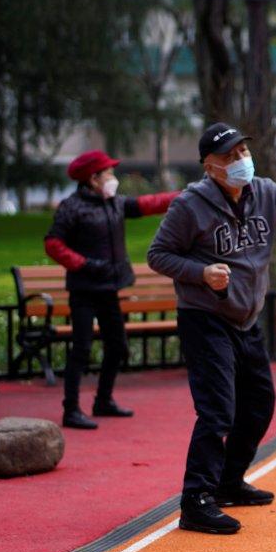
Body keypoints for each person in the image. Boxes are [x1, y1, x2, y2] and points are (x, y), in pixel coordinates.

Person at [147, 121, 276, 535]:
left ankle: (228, 481)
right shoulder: (190, 206)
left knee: (259, 404)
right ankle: (196, 500)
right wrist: (201, 271)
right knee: (217, 411)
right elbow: (158, 255)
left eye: (242, 151)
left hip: (246, 319)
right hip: (205, 318)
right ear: (209, 166)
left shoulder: (266, 194)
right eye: (229, 156)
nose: (241, 160)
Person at [45, 150, 180, 430]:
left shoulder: (115, 203)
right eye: (108, 173)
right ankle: (71, 409)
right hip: (84, 289)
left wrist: (187, 194)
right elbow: (53, 244)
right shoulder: (72, 207)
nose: (112, 177)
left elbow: (149, 203)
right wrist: (85, 264)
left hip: (108, 288)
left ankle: (103, 401)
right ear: (93, 179)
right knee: (81, 349)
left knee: (117, 346)